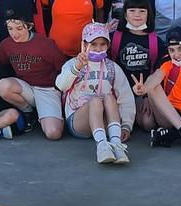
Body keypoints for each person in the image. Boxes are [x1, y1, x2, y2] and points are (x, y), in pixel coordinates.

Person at [56, 22, 135, 164]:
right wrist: (77, 67)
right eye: (93, 44)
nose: (98, 48)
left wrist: (127, 125)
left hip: (104, 121)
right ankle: (102, 147)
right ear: (84, 44)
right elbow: (61, 85)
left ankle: (116, 145)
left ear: (108, 45)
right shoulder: (74, 63)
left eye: (102, 44)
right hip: (79, 121)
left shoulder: (112, 67)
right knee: (95, 100)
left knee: (109, 97)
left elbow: (125, 96)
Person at [0, 8, 68, 140]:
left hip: (47, 89)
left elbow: (63, 67)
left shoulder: (45, 44)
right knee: (3, 85)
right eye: (10, 29)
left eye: (19, 28)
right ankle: (28, 112)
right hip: (25, 88)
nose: (14, 33)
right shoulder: (6, 45)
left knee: (53, 133)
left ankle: (52, 114)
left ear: (29, 26)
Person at [107, 0, 164, 130]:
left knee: (148, 123)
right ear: (125, 14)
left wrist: (148, 97)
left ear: (148, 15)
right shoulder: (113, 38)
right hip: (118, 91)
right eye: (132, 10)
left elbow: (159, 73)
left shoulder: (156, 41)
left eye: (142, 11)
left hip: (141, 92)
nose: (137, 15)